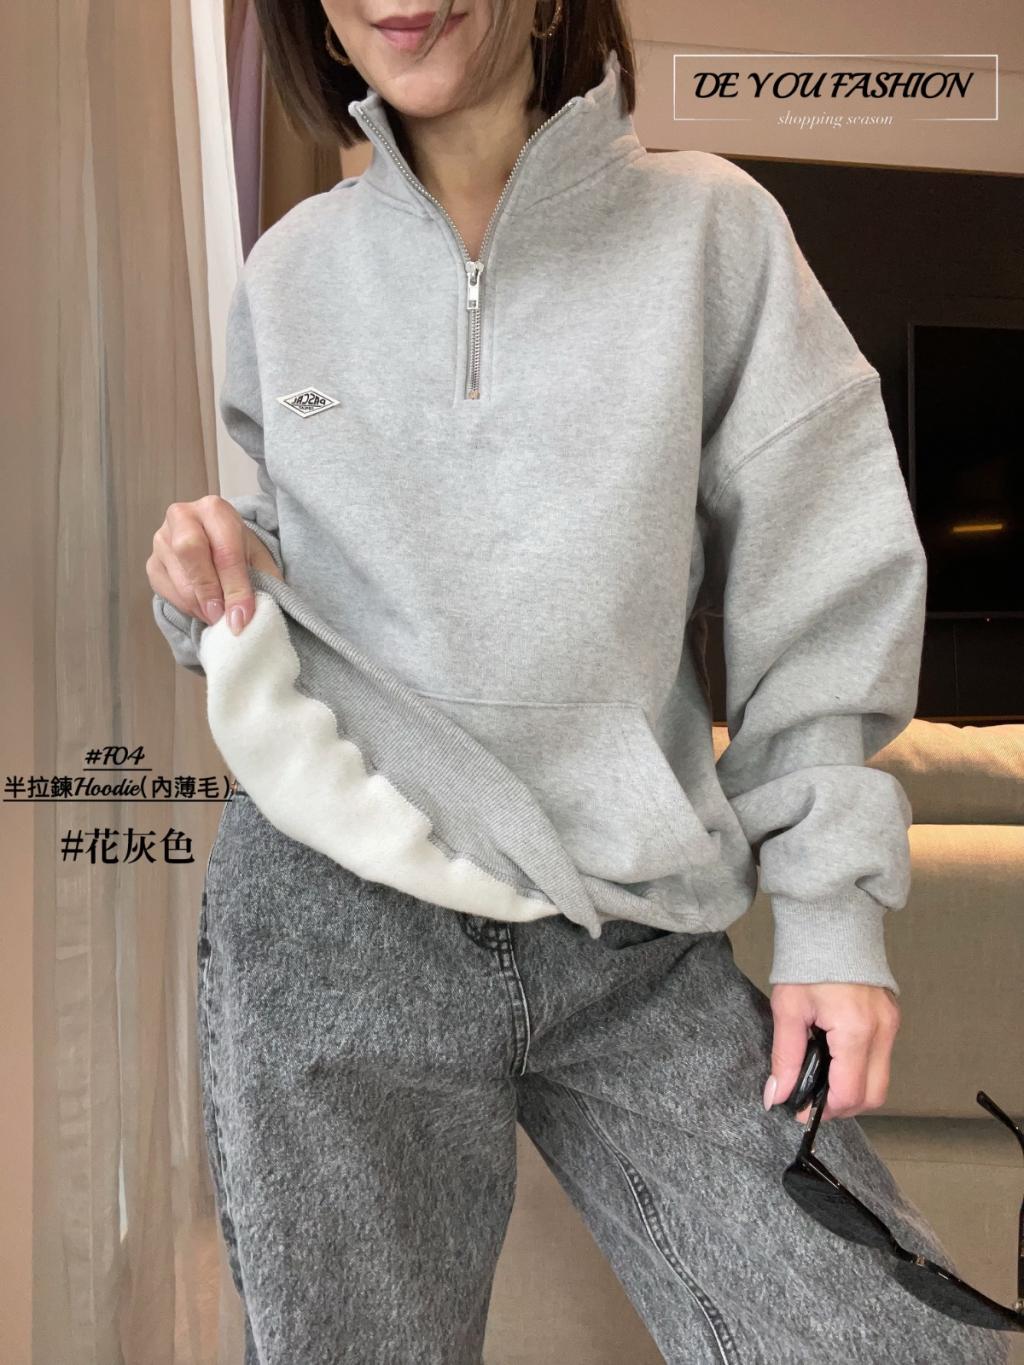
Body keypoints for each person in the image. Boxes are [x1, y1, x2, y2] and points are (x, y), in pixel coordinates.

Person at [147, 4, 1011, 1363]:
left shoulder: (712, 231)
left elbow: (822, 583)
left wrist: (830, 921)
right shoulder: (292, 268)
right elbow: (299, 555)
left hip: (627, 927)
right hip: (330, 921)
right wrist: (209, 566)